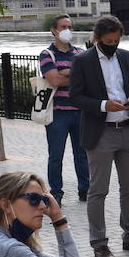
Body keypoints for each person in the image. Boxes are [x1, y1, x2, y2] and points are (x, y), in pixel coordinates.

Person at [69, 15, 129, 257]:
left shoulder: (125, 57)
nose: (113, 45)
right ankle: (99, 243)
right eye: (108, 41)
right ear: (97, 38)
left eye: (116, 41)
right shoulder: (83, 60)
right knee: (98, 191)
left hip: (127, 130)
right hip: (101, 132)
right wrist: (104, 105)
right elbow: (75, 97)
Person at [39, 16, 90, 204]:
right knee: (56, 156)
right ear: (54, 30)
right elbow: (54, 80)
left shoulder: (80, 52)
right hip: (57, 113)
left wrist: (65, 72)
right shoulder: (47, 54)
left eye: (70, 26)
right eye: (63, 27)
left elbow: (89, 78)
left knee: (82, 154)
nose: (68, 30)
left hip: (80, 112)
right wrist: (74, 75)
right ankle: (56, 193)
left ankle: (85, 189)